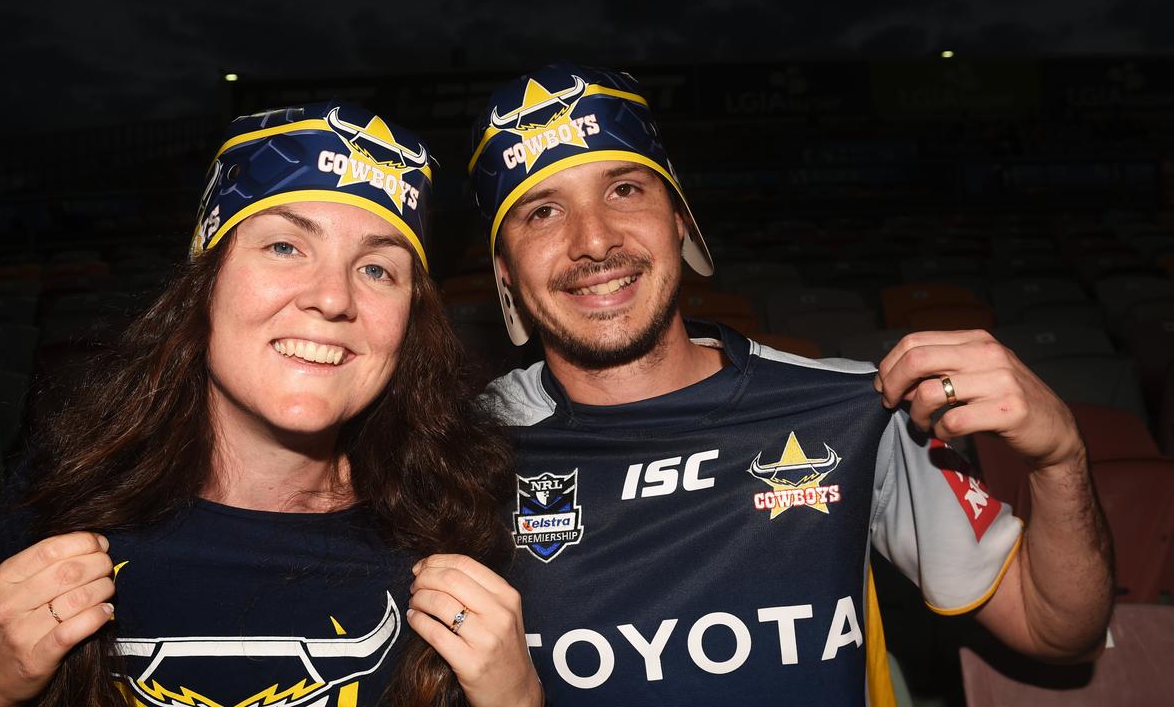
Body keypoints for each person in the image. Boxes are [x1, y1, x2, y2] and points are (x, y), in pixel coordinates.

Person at [455, 62, 1114, 705]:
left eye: (625, 189)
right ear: (505, 271)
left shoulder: (861, 411)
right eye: (541, 212)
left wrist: (1060, 460)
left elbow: (1056, 630)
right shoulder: (459, 451)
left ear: (680, 218)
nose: (594, 240)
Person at [0, 102, 541, 707]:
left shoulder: (460, 521)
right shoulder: (65, 495)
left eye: (376, 268)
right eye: (286, 247)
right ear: (205, 281)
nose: (333, 298)